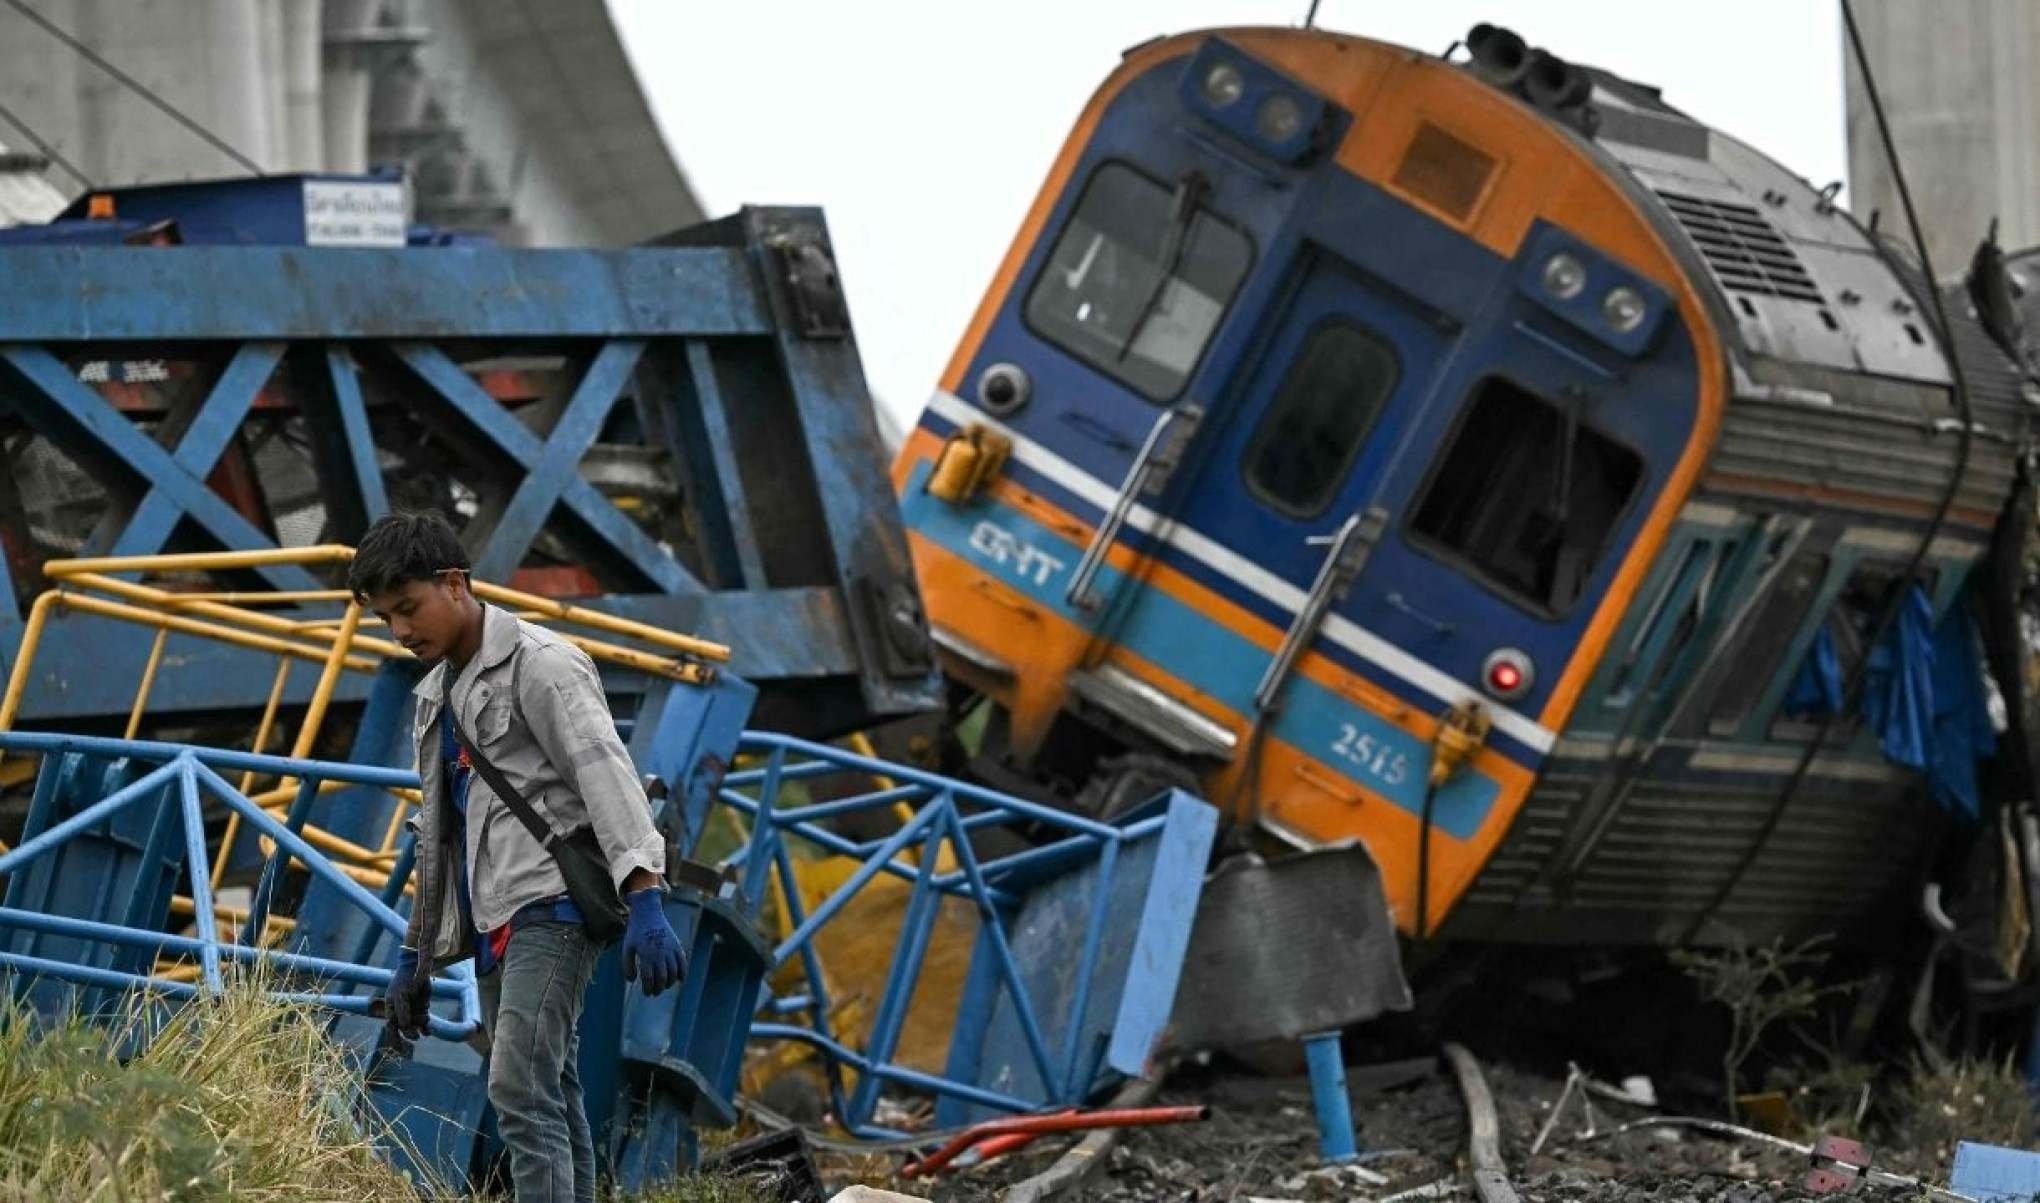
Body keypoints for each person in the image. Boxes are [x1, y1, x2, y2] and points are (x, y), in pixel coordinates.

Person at [351, 511, 685, 1203]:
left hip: (554, 904)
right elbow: (439, 832)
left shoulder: (543, 663)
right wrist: (416, 954)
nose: (401, 630)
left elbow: (607, 775)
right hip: (495, 916)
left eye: (409, 608)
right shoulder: (436, 695)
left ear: (455, 583)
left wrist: (648, 894)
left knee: (517, 1083)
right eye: (386, 618)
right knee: (550, 1086)